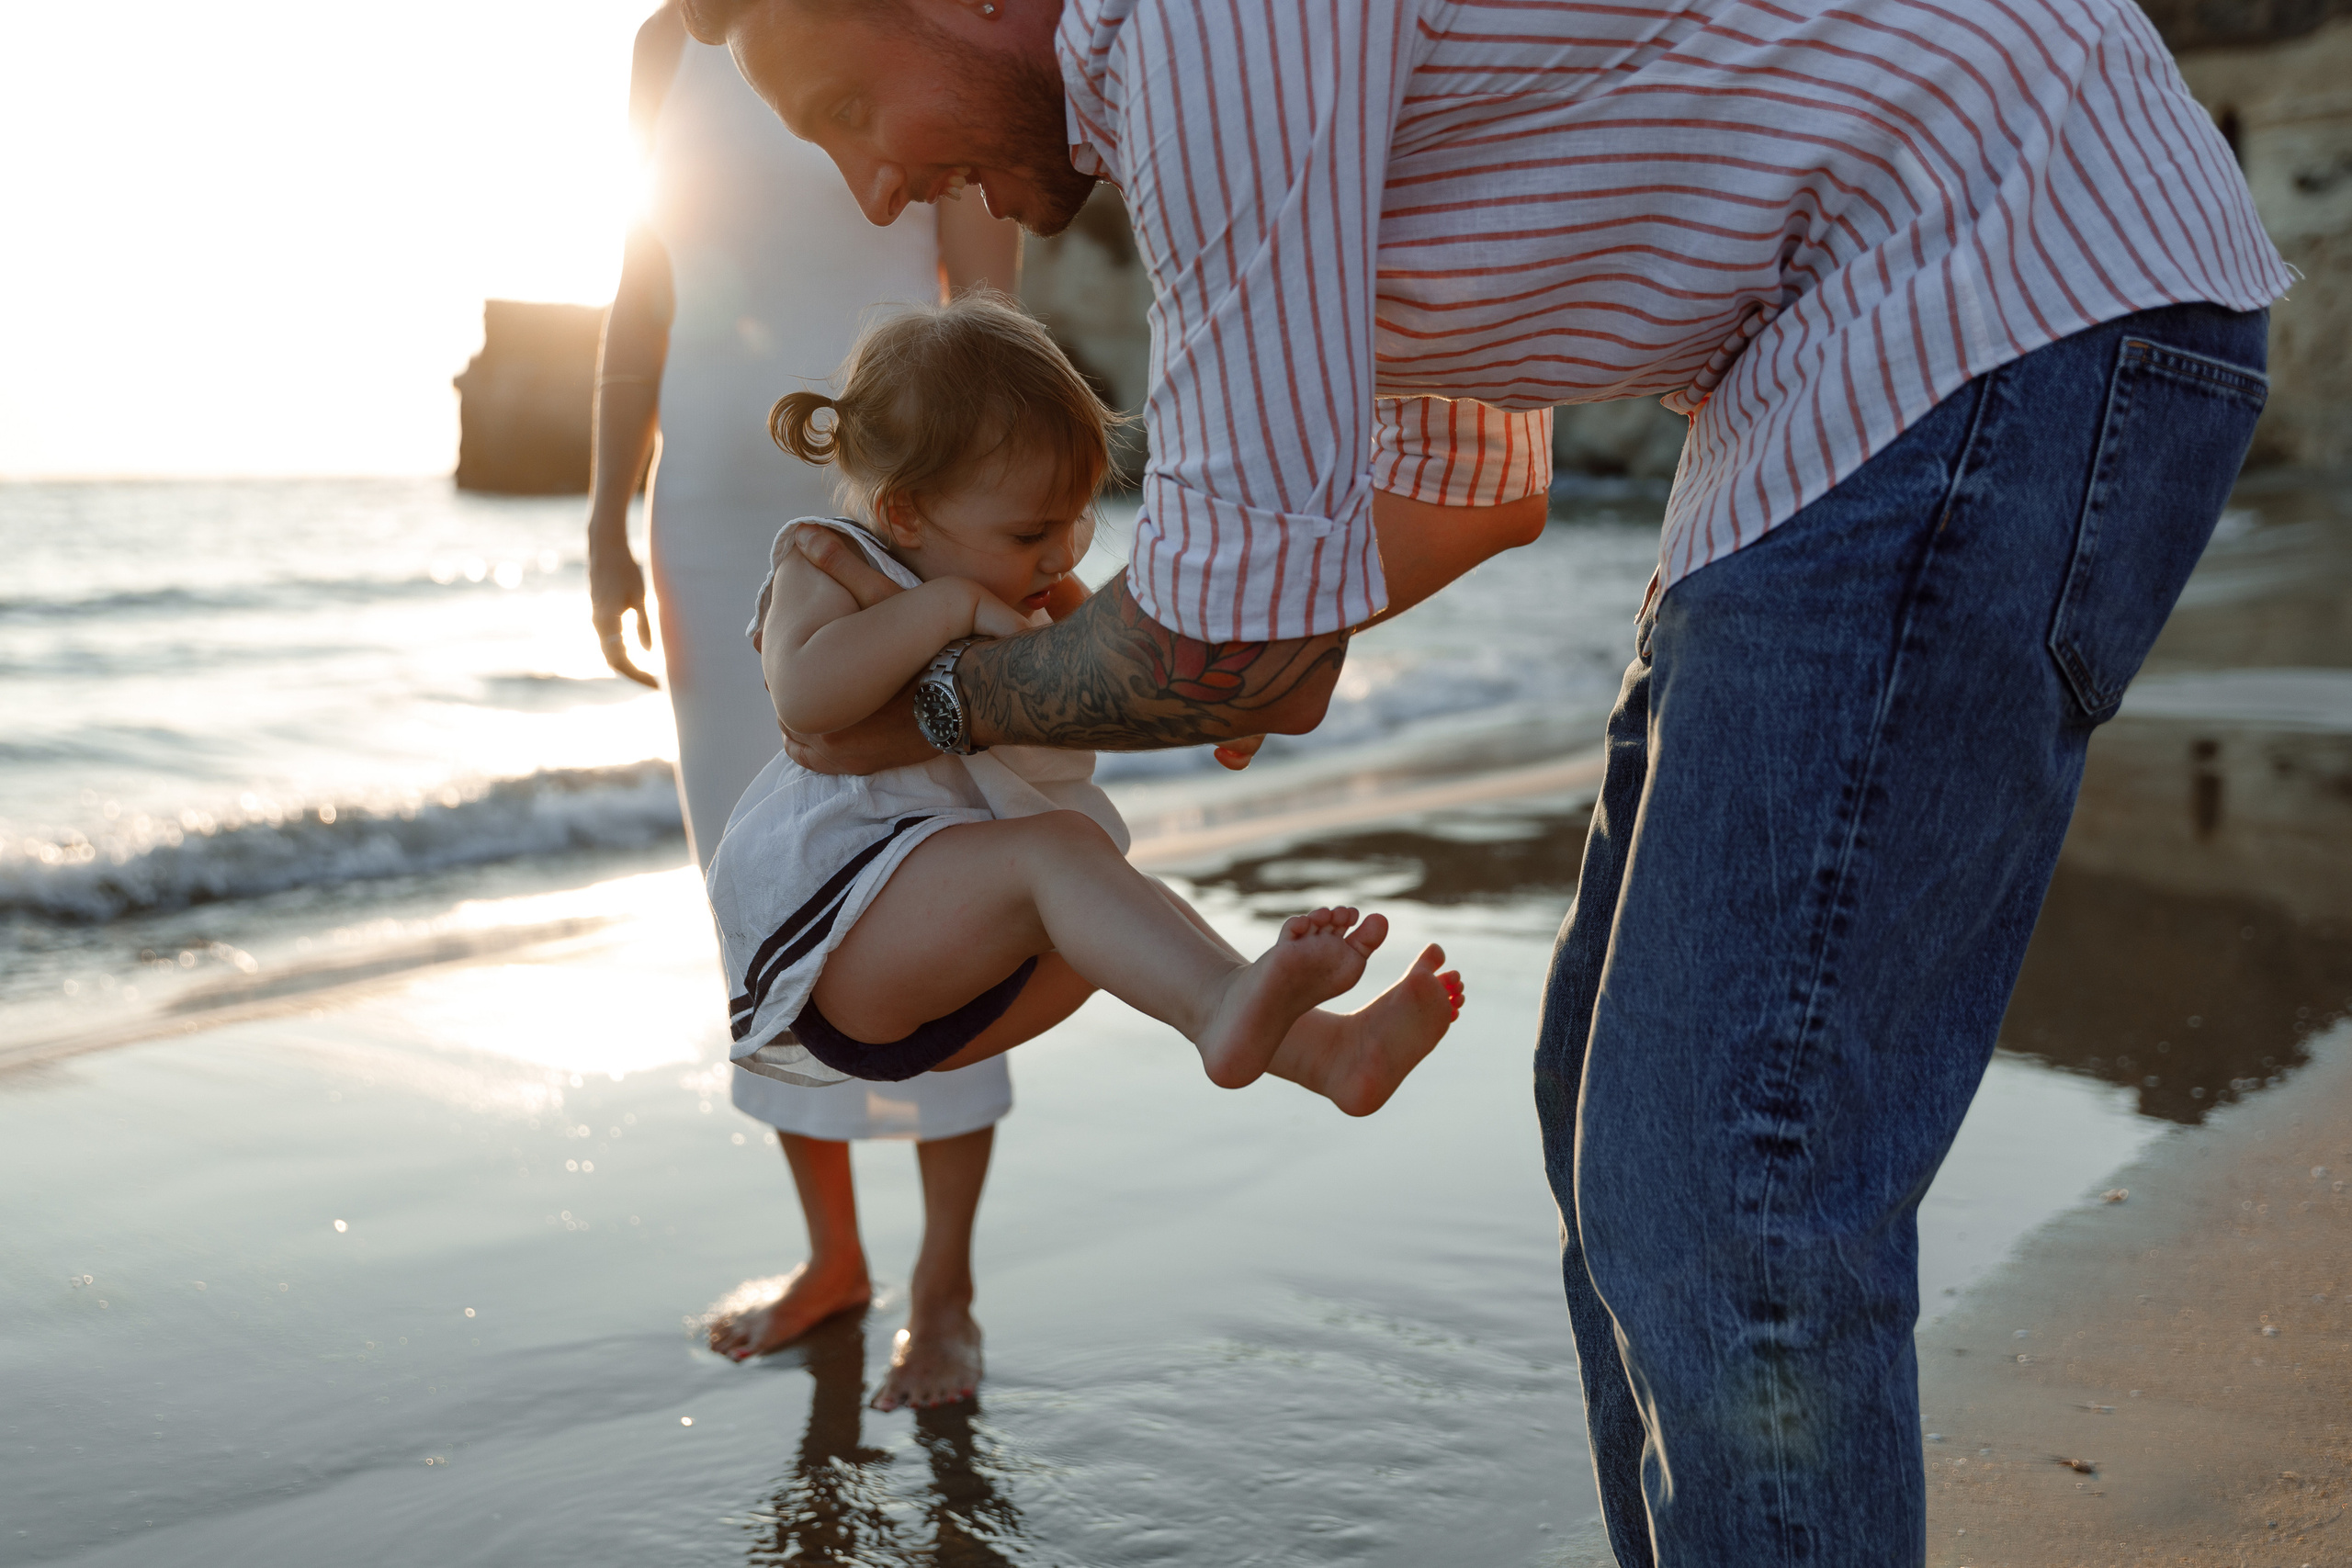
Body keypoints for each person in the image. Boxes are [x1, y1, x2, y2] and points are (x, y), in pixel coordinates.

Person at [679, 0, 2291, 1557]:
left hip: (1985, 274)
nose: (872, 190)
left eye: (845, 113)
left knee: (1728, 1172)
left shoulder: (1192, 31)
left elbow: (1216, 646)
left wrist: (914, 707)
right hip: (1834, 369)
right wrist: (1241, 638)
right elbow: (1461, 497)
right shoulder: (1258, 122)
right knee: (1609, 1111)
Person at [581, 0, 1026, 1410]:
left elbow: (988, 295)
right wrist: (604, 513)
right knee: (759, 886)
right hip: (707, 518)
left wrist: (993, 522)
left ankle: (944, 1286)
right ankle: (832, 1254)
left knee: (945, 860)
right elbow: (643, 285)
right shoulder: (667, 43)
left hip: (901, 509)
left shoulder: (927, 22)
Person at [711, 294, 1465, 1107]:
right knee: (1064, 851)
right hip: (845, 942)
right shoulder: (827, 561)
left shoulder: (1032, 585)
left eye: (1072, 526)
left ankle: (1326, 1053)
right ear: (906, 511)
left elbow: (1139, 667)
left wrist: (1227, 707)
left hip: (987, 954)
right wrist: (948, 606)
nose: (1055, 556)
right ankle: (1221, 1011)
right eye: (1030, 533)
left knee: (1123, 897)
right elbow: (805, 698)